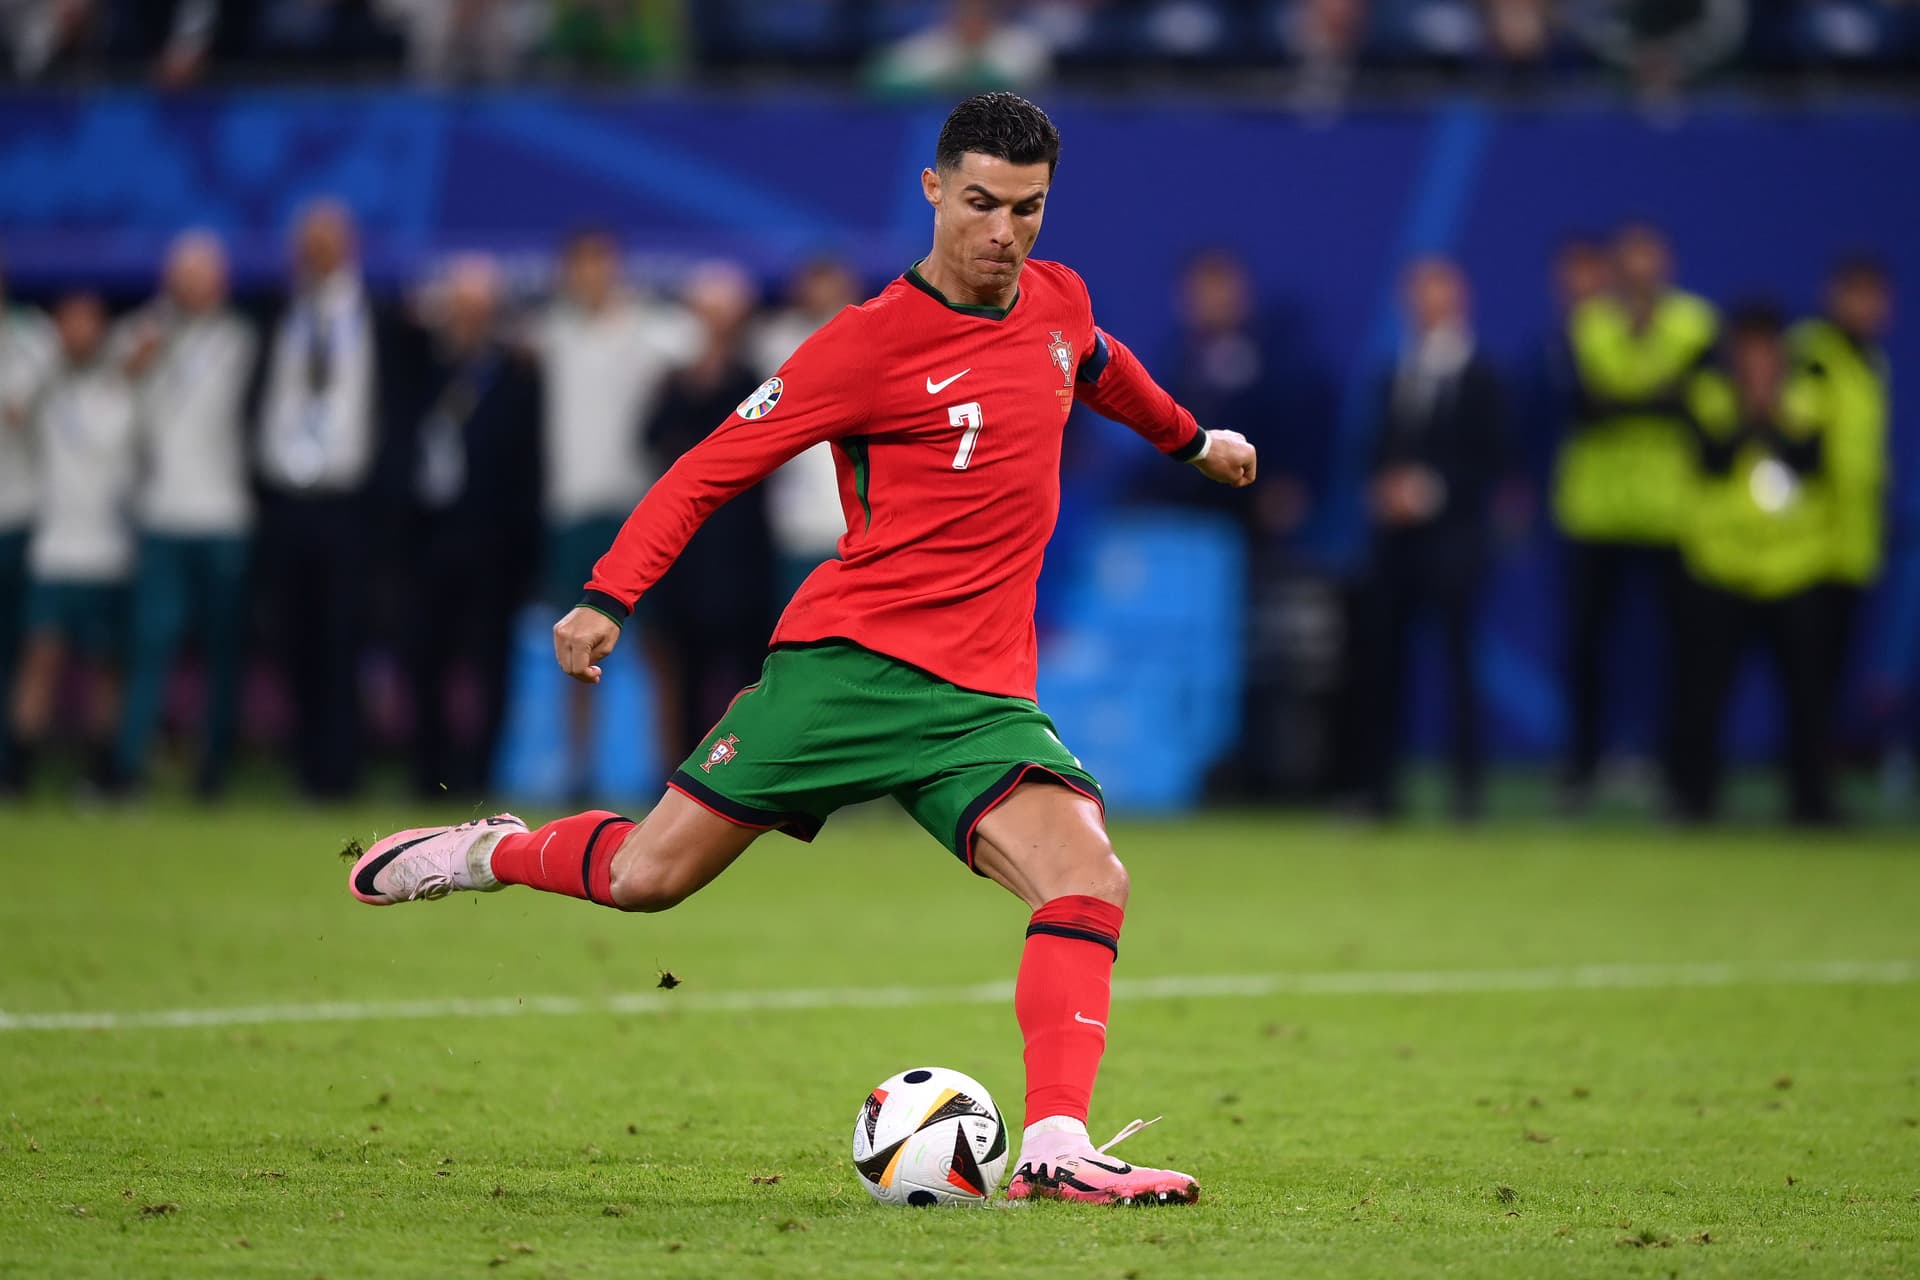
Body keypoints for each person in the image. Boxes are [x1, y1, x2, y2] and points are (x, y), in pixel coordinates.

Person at [347, 92, 1255, 1206]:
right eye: (981, 202)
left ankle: (1057, 1147)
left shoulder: (1058, 298)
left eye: (1027, 208)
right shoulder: (866, 344)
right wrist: (607, 595)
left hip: (979, 699)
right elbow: (707, 470)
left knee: (1088, 875)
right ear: (933, 189)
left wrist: (1193, 441)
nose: (1004, 231)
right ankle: (488, 852)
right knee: (645, 878)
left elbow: (1100, 364)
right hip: (847, 672)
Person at [1552, 222, 1717, 811]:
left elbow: (1698, 407)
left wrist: (1624, 401)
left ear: (1666, 264)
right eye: (1630, 260)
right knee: (1585, 650)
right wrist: (1659, 399)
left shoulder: (1697, 324)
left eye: (1651, 259)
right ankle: (1580, 770)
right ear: (1616, 267)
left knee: (1685, 652)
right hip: (1596, 511)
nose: (1641, 271)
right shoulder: (1588, 323)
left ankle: (1682, 779)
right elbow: (1587, 407)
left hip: (1673, 512)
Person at [528, 228, 695, 799]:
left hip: (635, 512)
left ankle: (669, 772)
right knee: (573, 644)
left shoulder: (651, 330)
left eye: (599, 263)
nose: (590, 275)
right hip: (572, 510)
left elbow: (699, 340)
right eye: (581, 265)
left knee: (656, 647)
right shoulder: (553, 333)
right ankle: (577, 773)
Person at [1668, 302, 1835, 823]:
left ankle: (1810, 800)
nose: (1758, 358)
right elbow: (1711, 460)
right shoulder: (1707, 393)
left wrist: (1774, 413)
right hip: (1720, 566)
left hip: (1792, 568)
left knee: (1806, 695)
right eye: (1748, 347)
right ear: (1733, 350)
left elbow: (1811, 462)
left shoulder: (1808, 395)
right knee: (1703, 693)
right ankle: (1695, 799)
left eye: (1766, 347)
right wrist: (1750, 411)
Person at [387, 255, 542, 799]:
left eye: (479, 308)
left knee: (490, 664)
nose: (468, 318)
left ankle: (480, 774)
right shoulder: (420, 367)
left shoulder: (516, 374)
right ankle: (427, 772)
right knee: (424, 658)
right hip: (428, 538)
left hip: (491, 543)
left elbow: (528, 466)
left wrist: (524, 551)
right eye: (459, 307)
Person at [1357, 257, 1505, 820]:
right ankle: (1380, 791)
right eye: (1417, 293)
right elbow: (1375, 449)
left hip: (1455, 544)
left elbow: (1492, 460)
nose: (1425, 304)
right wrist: (1384, 489)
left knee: (1459, 665)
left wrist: (1430, 490)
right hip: (1395, 546)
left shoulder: (1482, 376)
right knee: (1385, 665)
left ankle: (1468, 792)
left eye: (1436, 292)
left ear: (1459, 298)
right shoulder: (1395, 371)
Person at [113, 231, 258, 796]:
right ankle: (128, 769)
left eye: (206, 276)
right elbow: (111, 412)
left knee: (223, 652)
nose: (196, 287)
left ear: (222, 282)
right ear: (168, 279)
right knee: (150, 646)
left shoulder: (242, 338)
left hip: (225, 516)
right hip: (160, 516)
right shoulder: (138, 334)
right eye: (186, 276)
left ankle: (212, 770)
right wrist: (136, 365)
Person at [256, 200, 384, 800]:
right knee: (294, 639)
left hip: (349, 505)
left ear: (349, 246)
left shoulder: (380, 314)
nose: (318, 253)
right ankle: (305, 767)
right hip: (286, 503)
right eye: (309, 243)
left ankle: (343, 770)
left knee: (344, 639)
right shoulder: (275, 313)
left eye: (328, 242)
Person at [641, 262, 776, 764]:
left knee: (746, 672)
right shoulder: (674, 382)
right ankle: (679, 771)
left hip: (741, 551)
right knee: (683, 666)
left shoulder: (759, 380)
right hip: (688, 549)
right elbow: (650, 442)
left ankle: (741, 768)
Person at [4, 292, 136, 794]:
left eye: (89, 323)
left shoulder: (123, 385)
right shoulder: (43, 385)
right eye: (69, 323)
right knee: (40, 658)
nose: (80, 333)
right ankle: (17, 772)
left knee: (105, 666)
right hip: (54, 550)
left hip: (109, 552)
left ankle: (104, 772)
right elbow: (15, 408)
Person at [1791, 256, 1894, 725]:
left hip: (1856, 542)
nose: (1868, 307)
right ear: (1834, 295)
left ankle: (1821, 761)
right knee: (1807, 669)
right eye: (1858, 294)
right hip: (1811, 543)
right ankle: (1806, 764)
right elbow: (1796, 445)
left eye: (1877, 296)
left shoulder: (1873, 362)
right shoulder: (1811, 353)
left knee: (1836, 667)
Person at [755, 258, 863, 601]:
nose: (821, 294)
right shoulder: (774, 341)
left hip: (859, 520)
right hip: (797, 521)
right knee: (799, 618)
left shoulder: (870, 335)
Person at [0, 255, 56, 787]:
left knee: (18, 647)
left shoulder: (32, 336)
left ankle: (11, 763)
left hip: (17, 516)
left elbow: (17, 410)